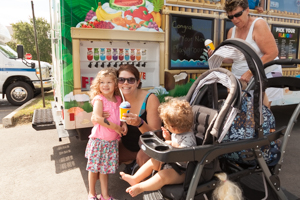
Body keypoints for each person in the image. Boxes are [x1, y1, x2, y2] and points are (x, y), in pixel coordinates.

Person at [209, 0, 283, 108]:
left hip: (264, 74)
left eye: (238, 14)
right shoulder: (231, 31)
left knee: (260, 114)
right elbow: (232, 58)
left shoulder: (258, 24)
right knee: (240, 112)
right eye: (231, 17)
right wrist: (217, 55)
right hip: (242, 77)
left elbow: (272, 53)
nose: (234, 19)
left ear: (247, 10)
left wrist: (250, 72)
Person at [120, 98, 197, 197]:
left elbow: (187, 155)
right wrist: (168, 137)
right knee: (154, 160)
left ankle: (140, 188)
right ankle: (135, 178)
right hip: (172, 163)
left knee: (163, 176)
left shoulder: (188, 138)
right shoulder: (176, 132)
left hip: (183, 171)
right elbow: (173, 142)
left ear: (173, 127)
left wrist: (173, 145)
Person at [92, 64, 162, 173]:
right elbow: (96, 118)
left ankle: (135, 161)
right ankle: (130, 161)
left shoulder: (150, 99)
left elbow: (156, 134)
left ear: (138, 82)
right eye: (121, 80)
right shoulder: (115, 99)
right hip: (126, 144)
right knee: (99, 165)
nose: (125, 83)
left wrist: (140, 123)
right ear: (116, 83)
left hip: (146, 145)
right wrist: (100, 117)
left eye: (130, 80)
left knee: (142, 159)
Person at [85, 68, 127, 200]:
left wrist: (123, 124)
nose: (105, 85)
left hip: (111, 142)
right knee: (93, 169)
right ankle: (92, 194)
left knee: (104, 170)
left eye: (109, 82)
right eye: (102, 82)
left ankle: (105, 195)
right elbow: (96, 118)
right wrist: (115, 127)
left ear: (115, 84)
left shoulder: (119, 99)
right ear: (98, 85)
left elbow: (121, 116)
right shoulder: (99, 99)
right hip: (99, 141)